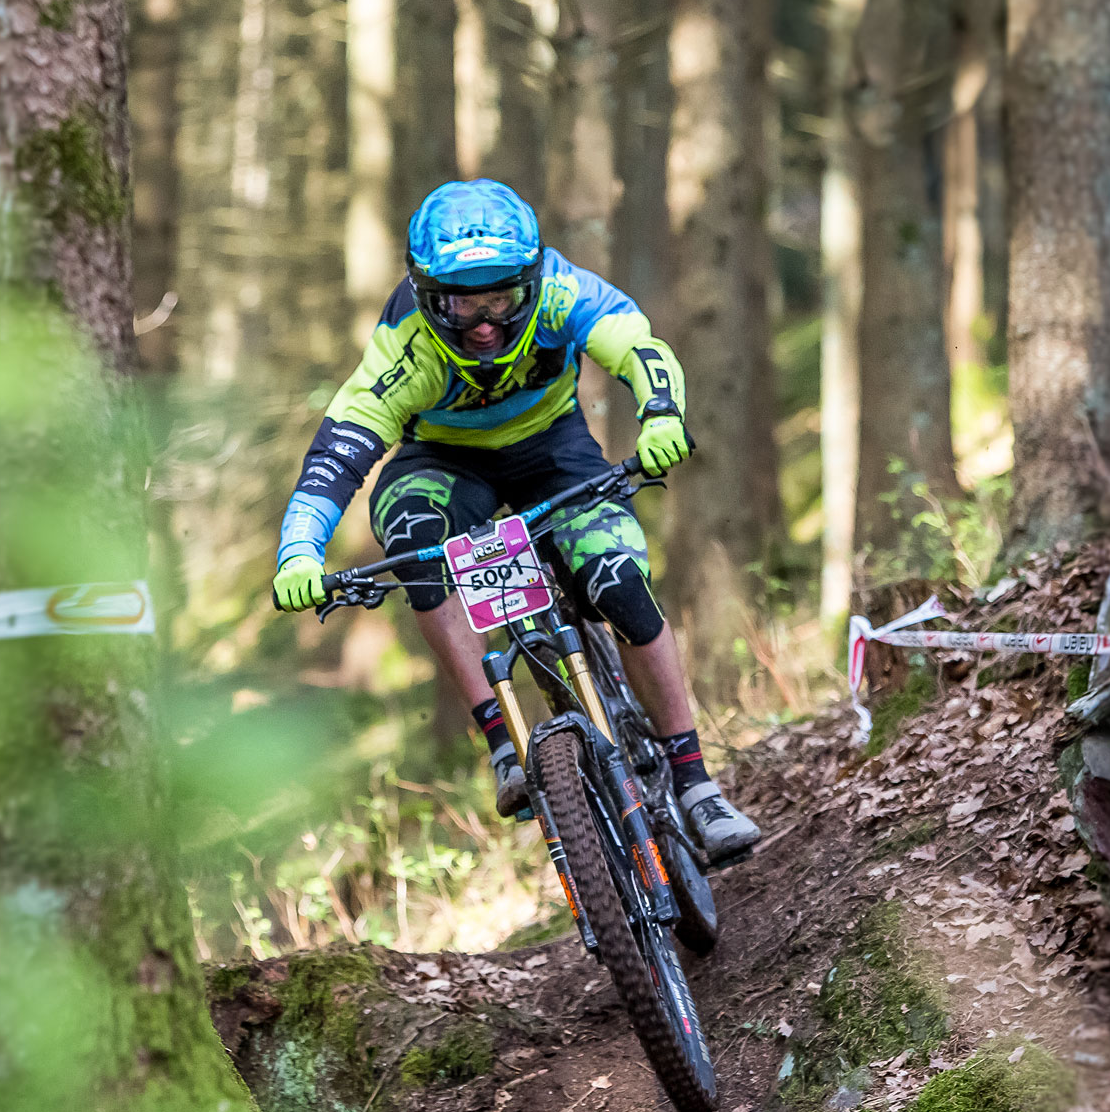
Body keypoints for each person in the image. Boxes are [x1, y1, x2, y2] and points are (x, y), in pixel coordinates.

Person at [270, 179, 761, 864]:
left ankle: (696, 784)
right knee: (413, 538)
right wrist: (299, 551)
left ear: (528, 283)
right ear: (428, 295)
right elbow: (338, 455)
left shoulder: (564, 292)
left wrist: (661, 415)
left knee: (619, 581)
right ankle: (503, 743)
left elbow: (636, 346)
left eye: (500, 298)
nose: (483, 323)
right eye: (462, 302)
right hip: (443, 463)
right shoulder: (404, 345)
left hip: (553, 449)